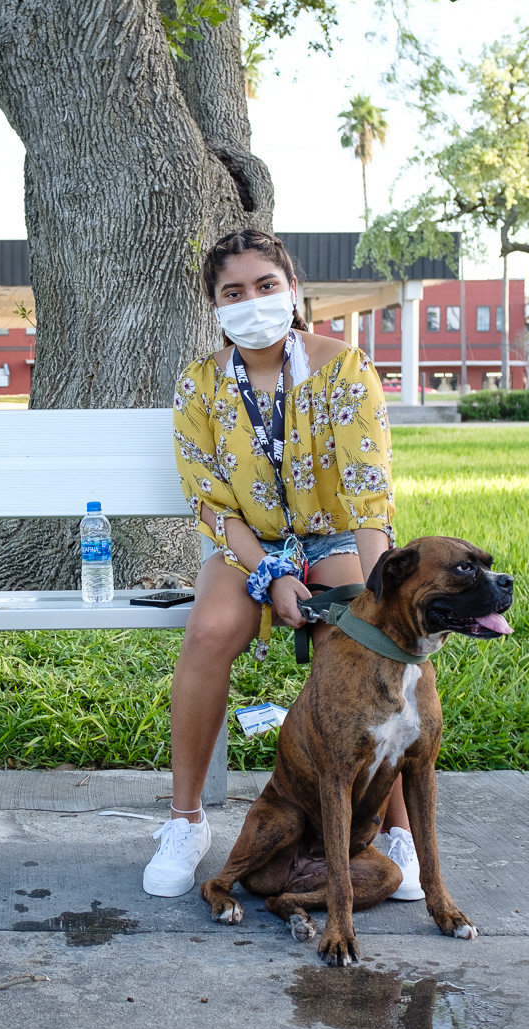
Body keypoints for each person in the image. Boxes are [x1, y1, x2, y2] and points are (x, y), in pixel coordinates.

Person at [144, 229, 422, 900]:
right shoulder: (202, 386)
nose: (252, 301)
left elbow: (367, 498)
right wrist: (270, 572)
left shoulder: (344, 369)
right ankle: (185, 821)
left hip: (334, 539)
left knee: (364, 643)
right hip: (247, 546)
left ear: (293, 291)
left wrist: (381, 603)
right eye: (232, 292)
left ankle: (394, 829)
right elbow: (210, 503)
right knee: (209, 630)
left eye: (265, 285)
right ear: (214, 306)